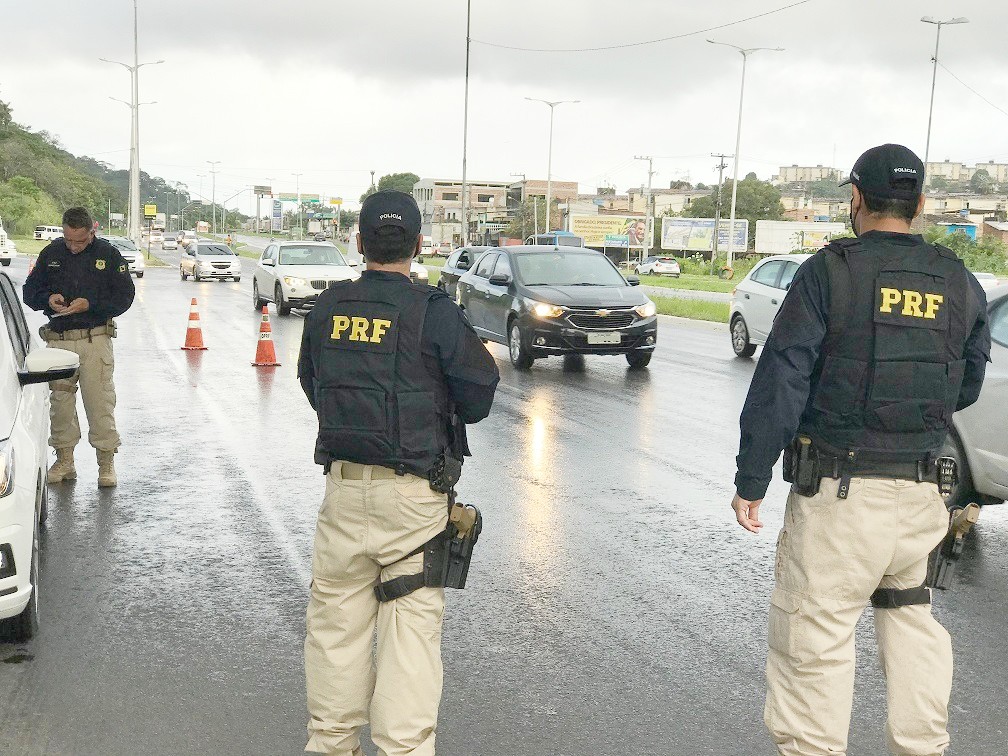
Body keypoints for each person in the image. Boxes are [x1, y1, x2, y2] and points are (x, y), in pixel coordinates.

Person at [730, 144, 990, 756]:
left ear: (855, 198)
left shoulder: (828, 273)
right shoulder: (957, 280)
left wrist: (751, 478)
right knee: (911, 621)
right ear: (921, 203)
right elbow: (967, 383)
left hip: (840, 500)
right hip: (924, 496)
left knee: (814, 637)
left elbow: (782, 380)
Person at [297, 190, 500, 755]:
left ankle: (331, 743)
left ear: (358, 243)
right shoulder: (433, 311)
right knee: (410, 636)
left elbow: (313, 383)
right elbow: (480, 394)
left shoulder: (327, 306)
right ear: (417, 244)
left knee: (336, 627)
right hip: (414, 499)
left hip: (343, 492)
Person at [22, 207, 136, 487]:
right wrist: (48, 299)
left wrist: (91, 304)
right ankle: (64, 461)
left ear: (91, 232)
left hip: (94, 339)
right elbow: (29, 292)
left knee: (100, 403)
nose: (73, 246)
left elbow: (124, 297)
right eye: (69, 239)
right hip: (58, 341)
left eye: (80, 241)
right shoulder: (52, 253)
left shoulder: (108, 255)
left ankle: (106, 464)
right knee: (60, 405)